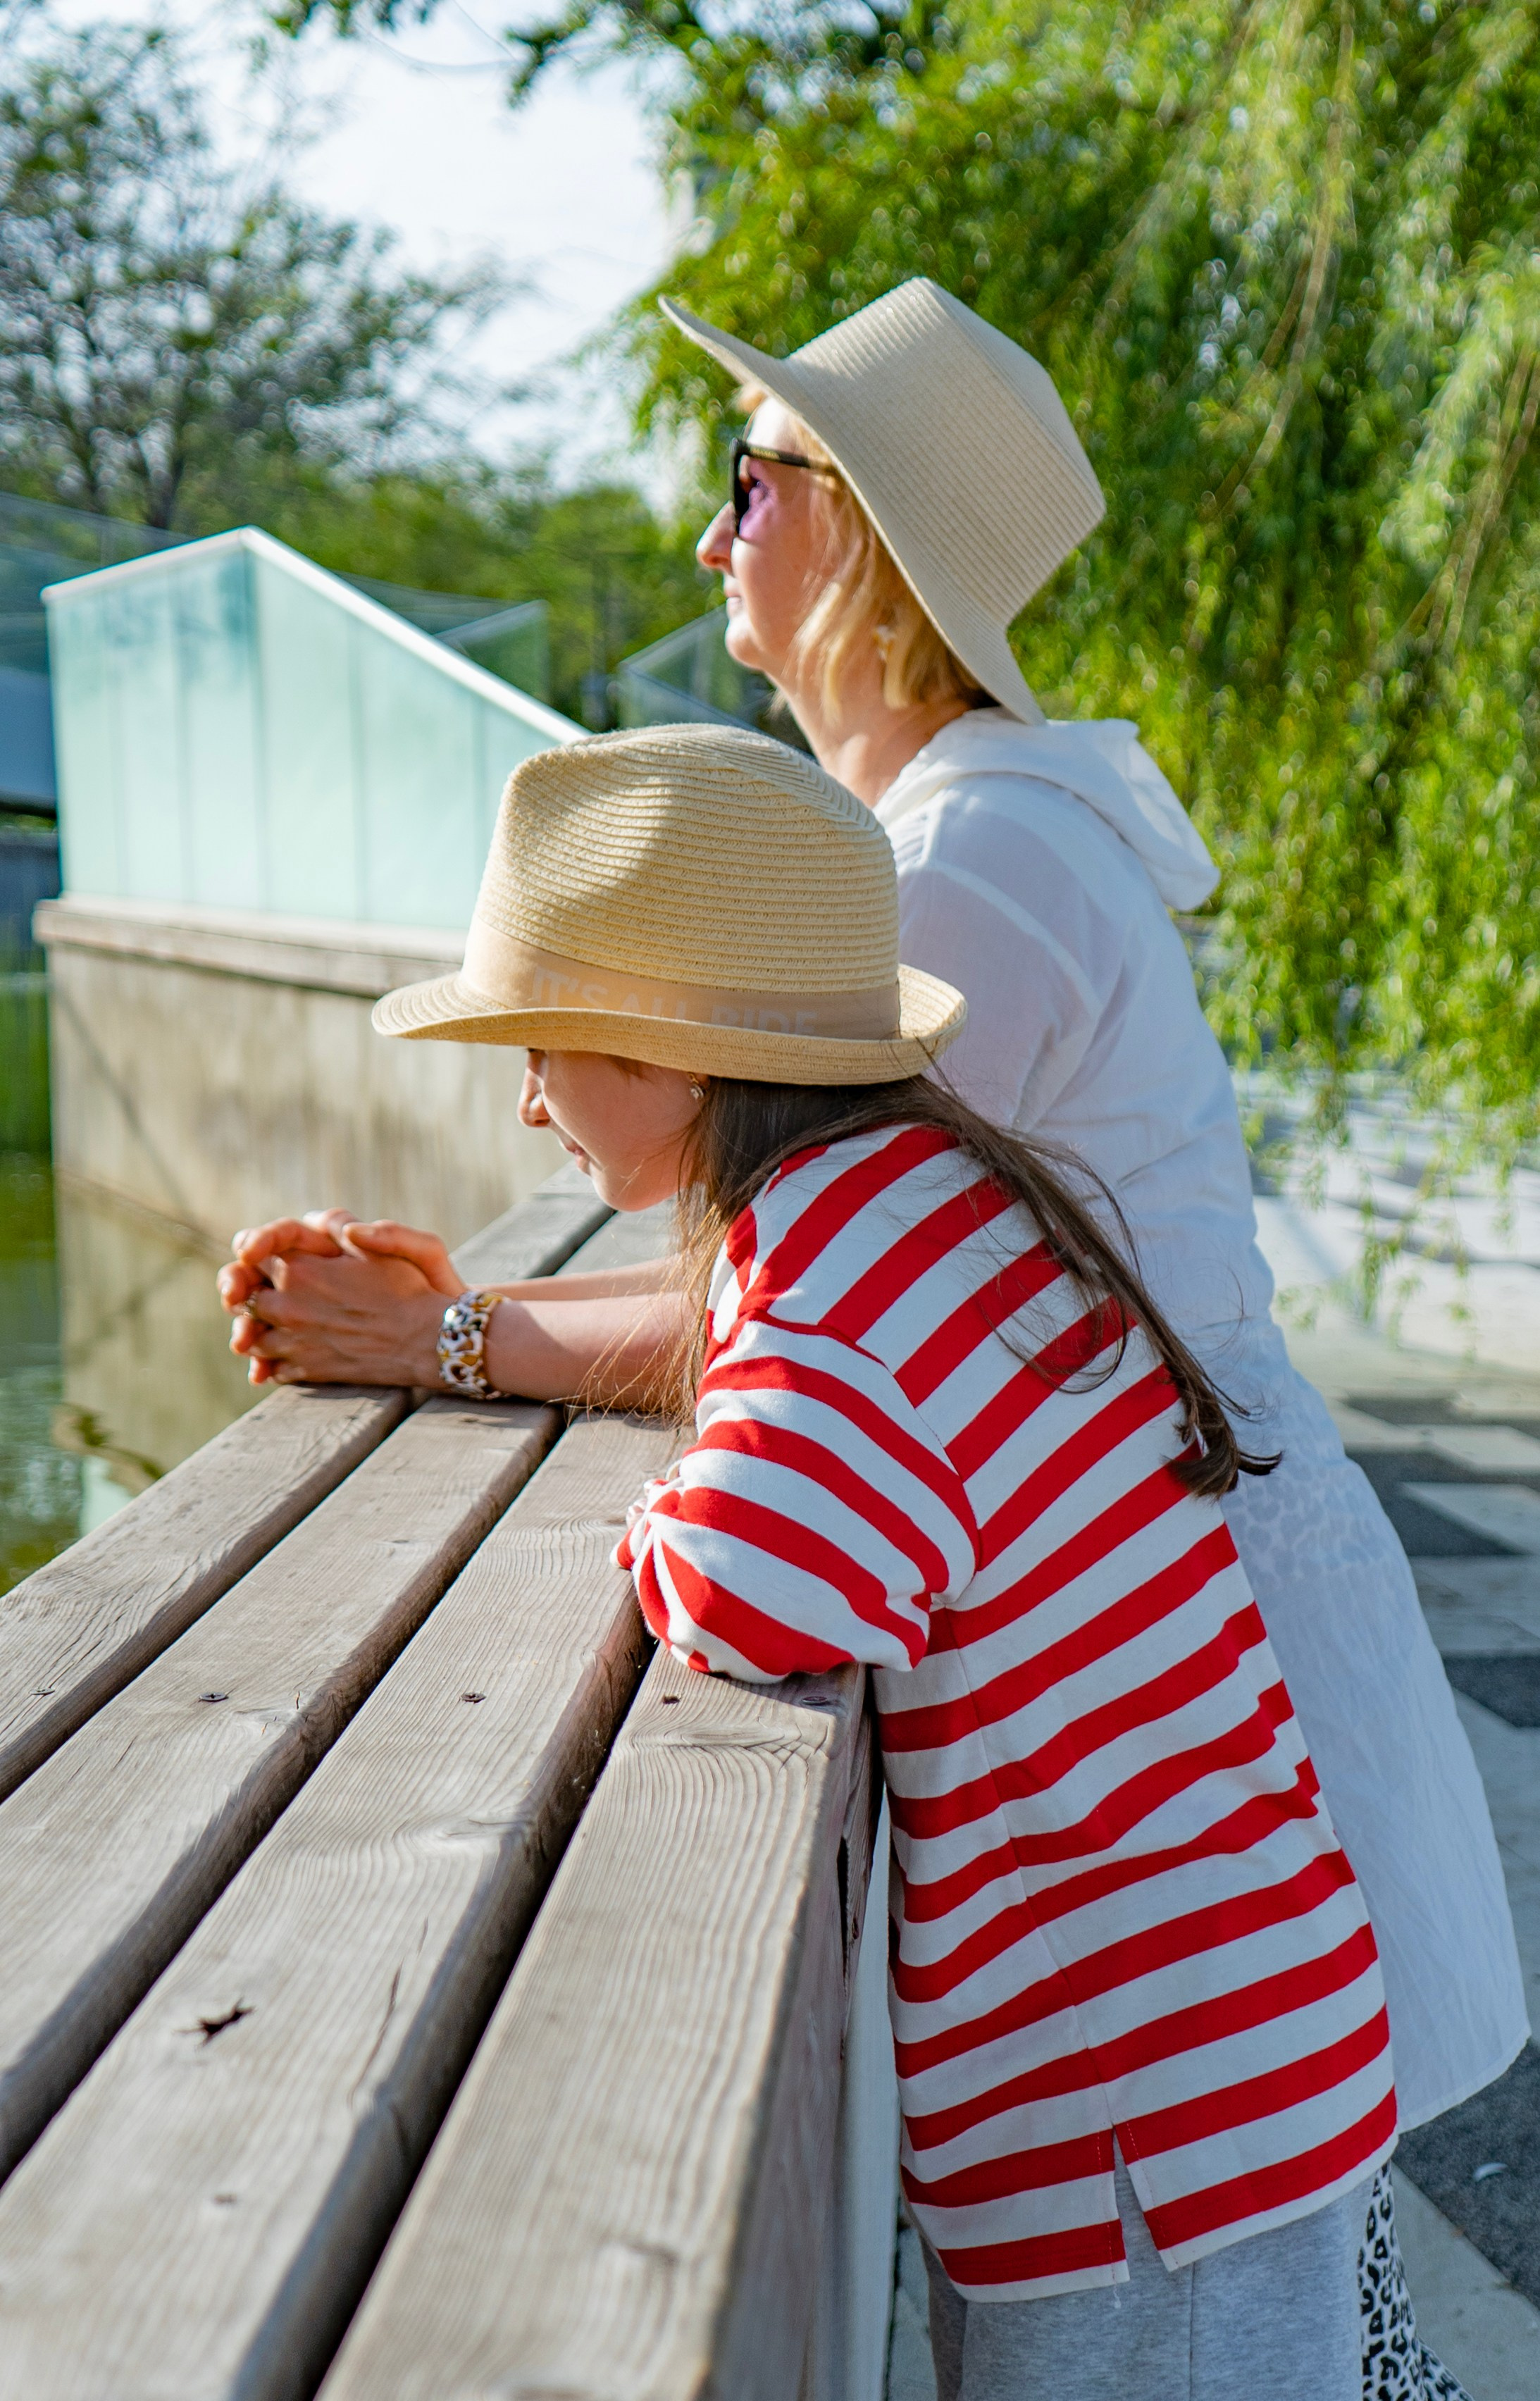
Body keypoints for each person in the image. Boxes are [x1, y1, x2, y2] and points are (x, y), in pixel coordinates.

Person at [221, 280, 1523, 2400]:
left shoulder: (971, 874)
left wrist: (459, 1335)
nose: (715, 525)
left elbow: (810, 1401)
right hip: (1169, 1843)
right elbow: (816, 1312)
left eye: (758, 478)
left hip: (1135, 1935)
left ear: (878, 541)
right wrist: (469, 1323)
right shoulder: (935, 860)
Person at [371, 720, 1400, 2400]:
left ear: (676, 1055)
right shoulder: (915, 1187)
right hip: (1235, 2046)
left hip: (1148, 2133)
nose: (526, 1095)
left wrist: (657, 1512)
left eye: (544, 1041)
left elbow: (760, 1585)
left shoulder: (841, 1264)